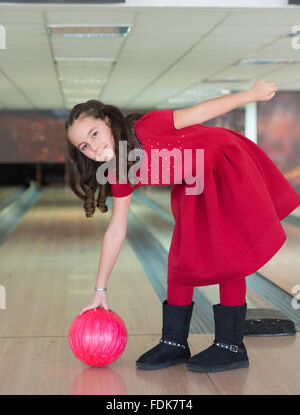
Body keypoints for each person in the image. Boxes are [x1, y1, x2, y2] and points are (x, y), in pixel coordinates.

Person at [65, 79, 300, 373]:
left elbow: (200, 112)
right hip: (194, 184)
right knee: (181, 257)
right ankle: (174, 342)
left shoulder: (147, 128)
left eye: (95, 133)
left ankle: (230, 345)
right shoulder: (118, 171)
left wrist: (252, 94)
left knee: (229, 254)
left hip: (225, 166)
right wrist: (100, 289)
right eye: (84, 145)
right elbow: (116, 230)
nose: (94, 146)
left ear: (108, 122)